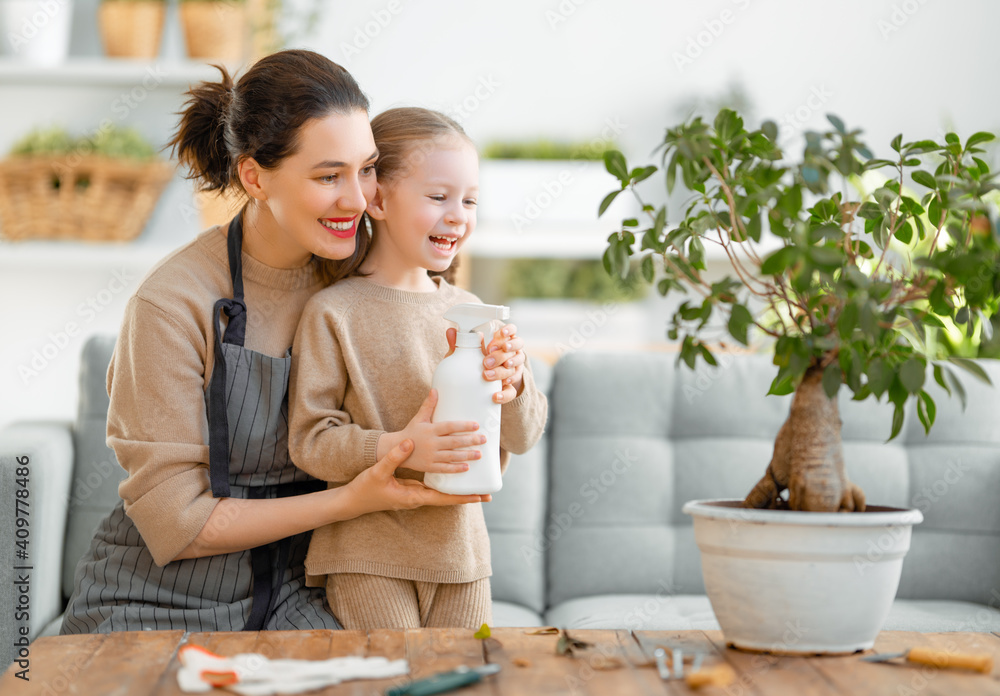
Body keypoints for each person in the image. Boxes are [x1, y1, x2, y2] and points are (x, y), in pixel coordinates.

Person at [60, 51, 489, 635]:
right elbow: (176, 523)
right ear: (255, 176)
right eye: (327, 176)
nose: (358, 200)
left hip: (298, 594)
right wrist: (351, 500)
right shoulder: (173, 304)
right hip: (157, 602)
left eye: (366, 169)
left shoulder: (363, 278)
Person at [288, 107, 549, 630]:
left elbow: (522, 437)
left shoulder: (475, 313)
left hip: (462, 557)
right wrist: (402, 447)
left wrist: (516, 382)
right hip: (365, 554)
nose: (458, 215)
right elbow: (311, 442)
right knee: (395, 679)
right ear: (378, 199)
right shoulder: (332, 312)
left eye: (470, 200)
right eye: (438, 197)